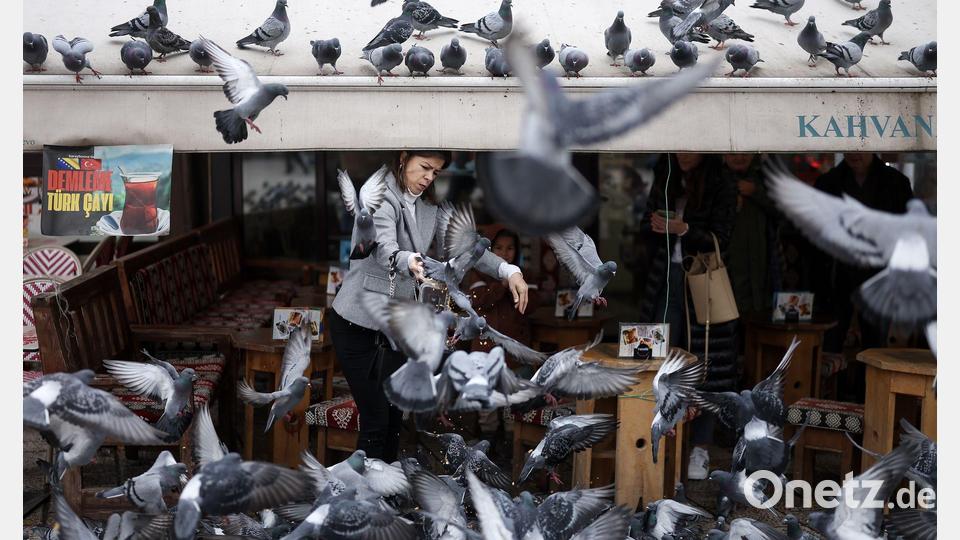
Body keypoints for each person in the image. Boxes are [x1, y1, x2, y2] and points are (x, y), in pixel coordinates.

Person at [328, 150, 531, 461]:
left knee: (395, 418)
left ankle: (388, 492)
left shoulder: (428, 209)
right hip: (358, 325)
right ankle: (366, 500)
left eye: (435, 173)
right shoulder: (381, 198)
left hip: (396, 329)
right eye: (424, 167)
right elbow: (383, 247)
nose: (428, 178)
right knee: (377, 420)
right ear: (403, 158)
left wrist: (508, 270)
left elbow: (468, 245)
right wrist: (407, 259)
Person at [636, 153, 737, 480]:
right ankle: (652, 432)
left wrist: (685, 229)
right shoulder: (665, 174)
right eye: (679, 147)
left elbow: (722, 239)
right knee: (659, 359)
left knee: (704, 363)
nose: (684, 154)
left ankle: (700, 448)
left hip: (702, 281)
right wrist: (654, 226)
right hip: (664, 279)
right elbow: (644, 226)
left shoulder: (720, 182)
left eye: (692, 148)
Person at [813, 153, 913, 352]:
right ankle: (837, 384)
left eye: (861, 146)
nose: (854, 153)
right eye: (849, 146)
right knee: (830, 344)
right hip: (836, 276)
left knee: (875, 347)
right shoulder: (828, 182)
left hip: (880, 275)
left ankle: (870, 385)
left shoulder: (896, 182)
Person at [466, 228, 541, 440]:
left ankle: (510, 444)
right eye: (498, 248)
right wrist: (502, 284)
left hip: (515, 351)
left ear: (517, 251)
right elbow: (478, 299)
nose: (504, 253)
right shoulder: (478, 272)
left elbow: (533, 303)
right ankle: (488, 443)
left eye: (510, 248)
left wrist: (516, 286)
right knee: (487, 406)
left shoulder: (524, 275)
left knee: (513, 405)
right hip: (486, 350)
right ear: (489, 250)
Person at [722, 153, 782, 316]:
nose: (739, 158)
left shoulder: (765, 178)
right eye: (733, 153)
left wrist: (755, 192)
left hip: (763, 266)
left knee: (758, 316)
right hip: (728, 267)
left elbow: (782, 210)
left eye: (744, 152)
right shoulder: (716, 180)